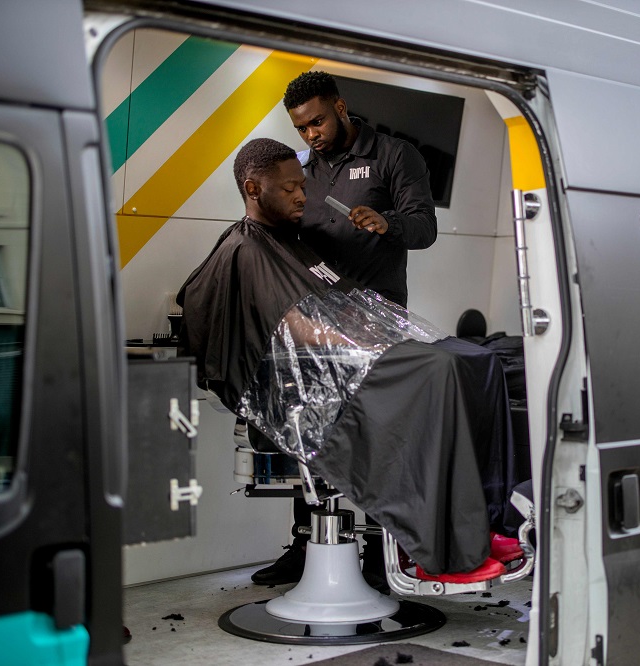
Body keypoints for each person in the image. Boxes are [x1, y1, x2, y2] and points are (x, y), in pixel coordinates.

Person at [177, 138, 519, 585]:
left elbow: (339, 305)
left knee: (479, 362)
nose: (302, 197)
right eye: (290, 189)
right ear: (253, 189)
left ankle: (483, 526)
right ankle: (439, 546)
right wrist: (371, 347)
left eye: (303, 186)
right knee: (438, 371)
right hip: (311, 393)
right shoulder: (246, 249)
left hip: (345, 367)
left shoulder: (292, 242)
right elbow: (298, 326)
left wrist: (382, 337)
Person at [252, 70, 439, 588]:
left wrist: (387, 222)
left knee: (377, 438)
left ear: (339, 106)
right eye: (300, 127)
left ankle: (382, 553)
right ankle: (306, 544)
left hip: (377, 324)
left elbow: (424, 228)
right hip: (316, 327)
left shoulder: (394, 155)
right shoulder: (302, 171)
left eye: (316, 122)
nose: (310, 134)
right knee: (307, 432)